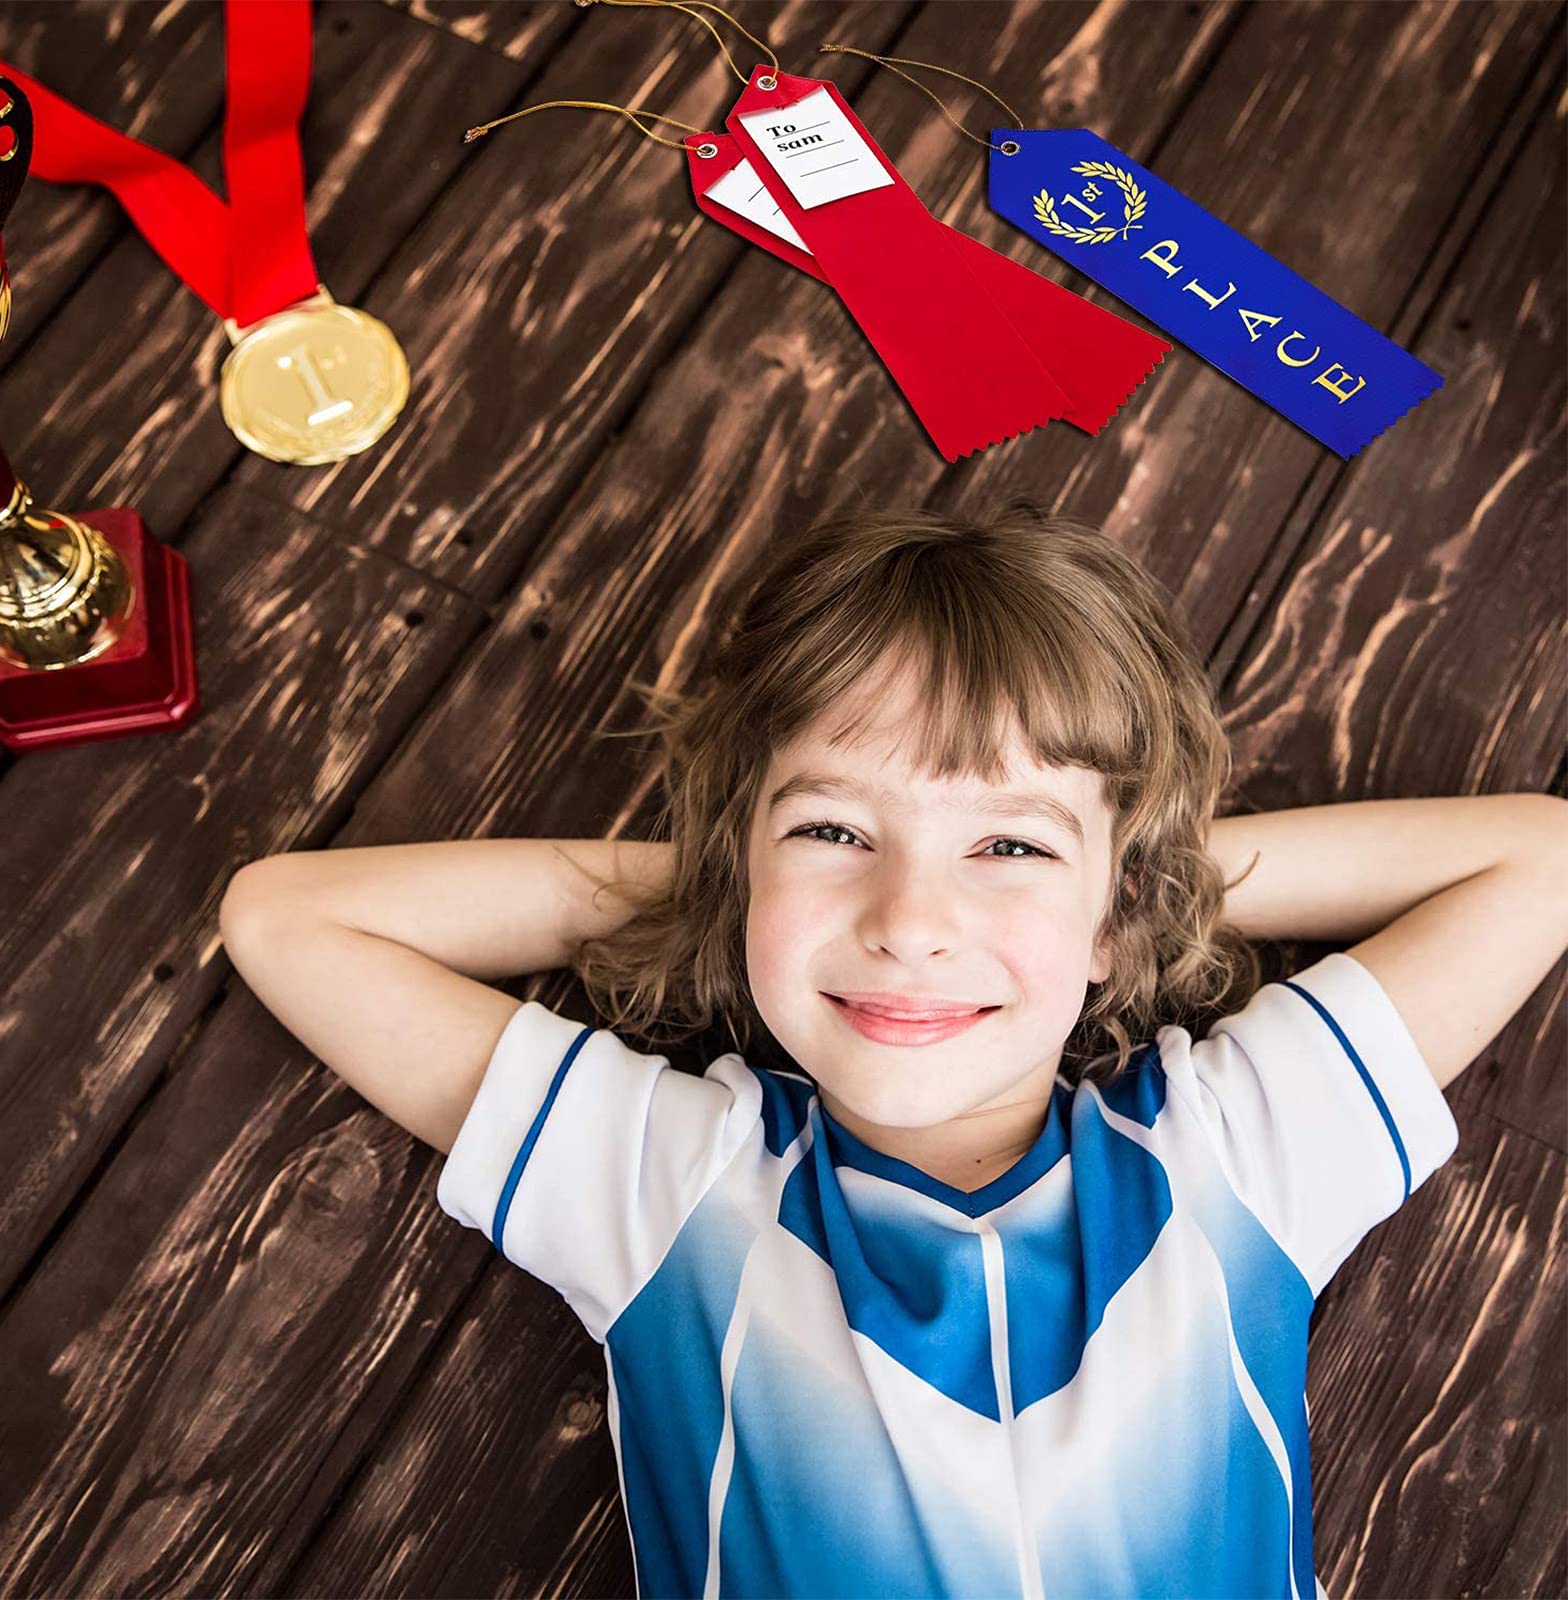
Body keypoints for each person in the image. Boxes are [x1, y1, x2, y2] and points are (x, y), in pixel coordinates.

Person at [219, 501, 1568, 1600]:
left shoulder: (1237, 1157)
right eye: (832, 833)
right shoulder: (671, 1189)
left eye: (1010, 845)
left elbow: (1541, 857)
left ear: (1119, 913)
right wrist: (736, 889)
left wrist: (1131, 881)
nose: (911, 922)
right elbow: (286, 920)